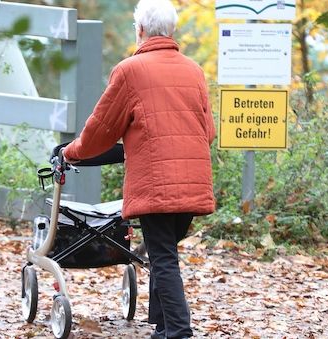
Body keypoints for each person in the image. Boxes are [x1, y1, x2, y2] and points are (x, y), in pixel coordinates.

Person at [63, 0, 215, 337]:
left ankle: (178, 331)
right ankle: (162, 326)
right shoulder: (194, 70)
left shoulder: (130, 71)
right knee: (164, 252)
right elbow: (210, 133)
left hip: (158, 185)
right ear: (171, 30)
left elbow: (100, 131)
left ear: (140, 30)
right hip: (194, 183)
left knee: (163, 258)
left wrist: (71, 152)